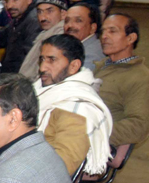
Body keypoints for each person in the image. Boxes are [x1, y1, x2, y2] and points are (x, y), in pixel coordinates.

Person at [35, 34, 113, 175]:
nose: (42, 68)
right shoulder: (47, 88)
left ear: (74, 66)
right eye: (42, 59)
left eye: (52, 60)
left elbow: (61, 168)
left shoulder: (76, 109)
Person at [96, 13, 148, 147]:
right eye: (103, 32)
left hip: (93, 145)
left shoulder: (140, 78)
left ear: (130, 38)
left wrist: (92, 134)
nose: (104, 37)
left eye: (112, 31)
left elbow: (138, 126)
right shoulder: (102, 66)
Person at [18, 0, 68, 80]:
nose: (43, 17)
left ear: (63, 14)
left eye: (49, 11)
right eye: (40, 12)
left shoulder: (59, 37)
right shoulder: (47, 32)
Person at [63, 2, 105, 72]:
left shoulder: (91, 56)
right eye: (67, 21)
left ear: (92, 28)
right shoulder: (75, 46)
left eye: (78, 21)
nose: (70, 25)